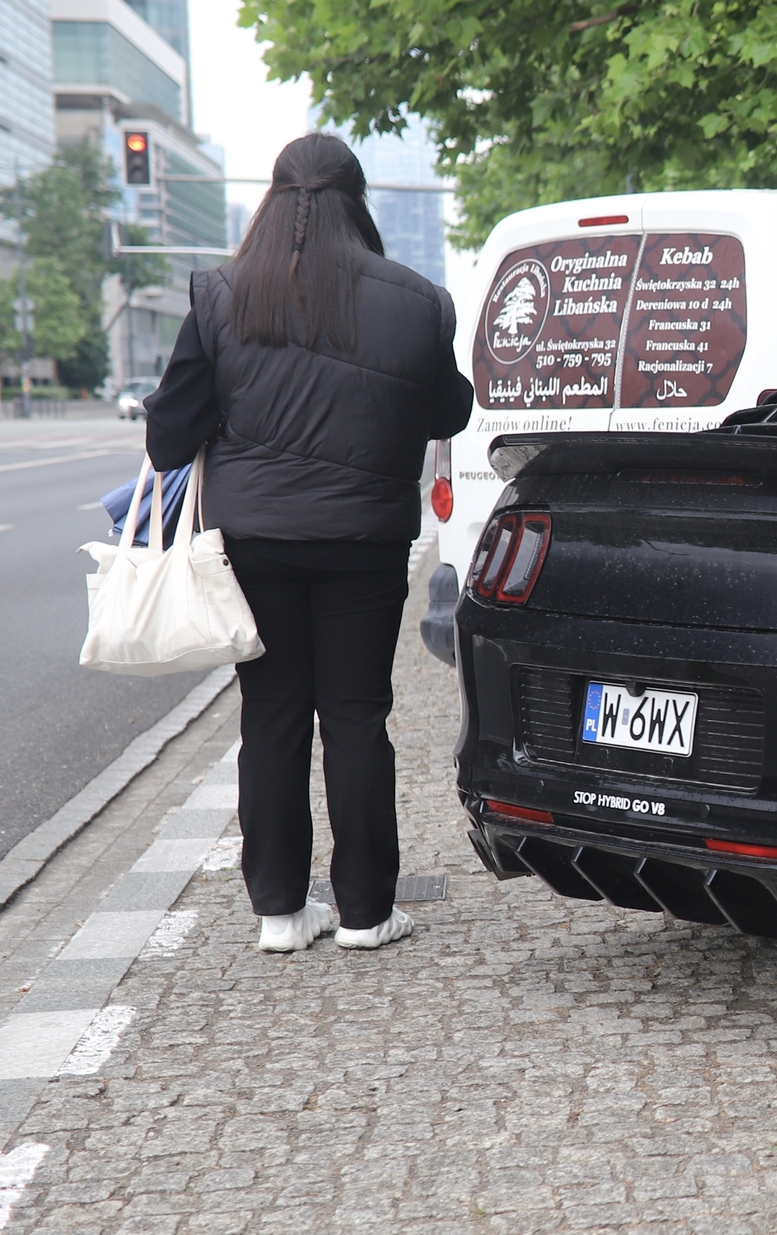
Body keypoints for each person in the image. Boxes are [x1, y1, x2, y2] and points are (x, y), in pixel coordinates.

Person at [144, 133, 471, 953]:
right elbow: (448, 414)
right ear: (357, 202)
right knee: (358, 716)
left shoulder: (222, 295)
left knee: (273, 717)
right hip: (364, 541)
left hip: (253, 542)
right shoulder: (419, 301)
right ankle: (366, 911)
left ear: (273, 199)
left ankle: (281, 914)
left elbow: (167, 436)